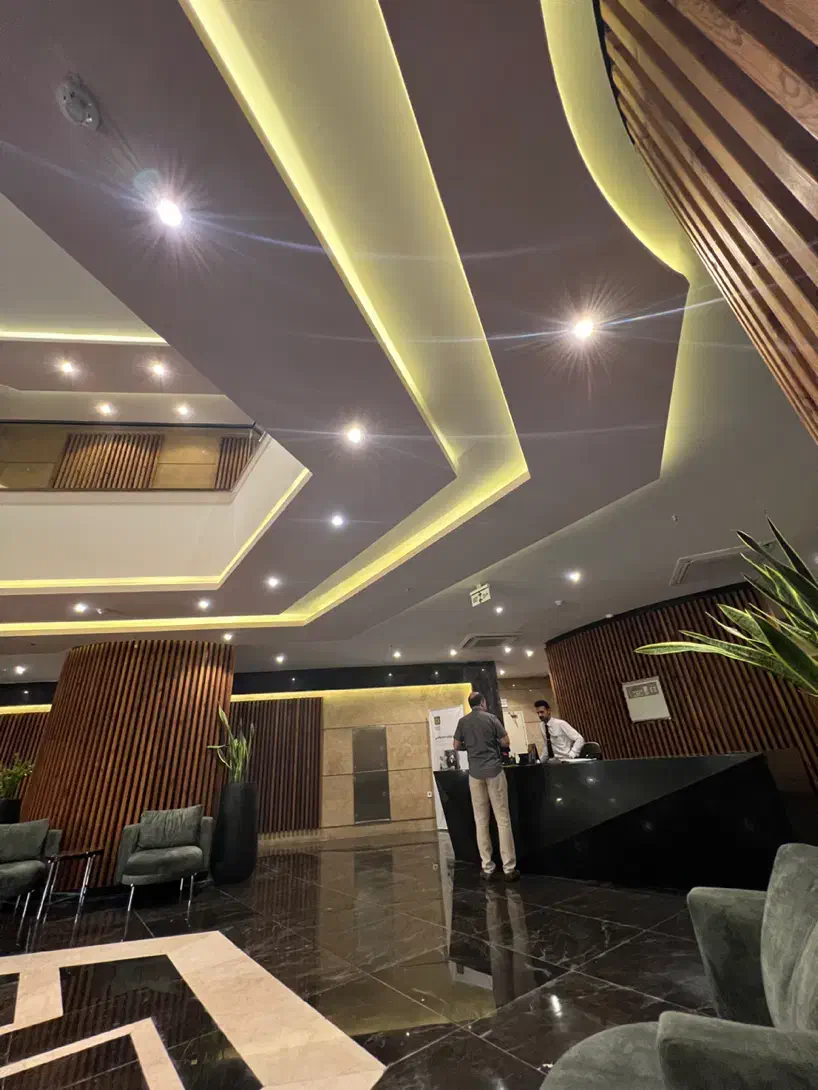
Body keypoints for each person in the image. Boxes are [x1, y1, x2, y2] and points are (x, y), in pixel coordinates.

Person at [453, 691, 519, 882]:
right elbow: (506, 742)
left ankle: (487, 867)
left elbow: (456, 745)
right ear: (482, 702)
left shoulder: (463, 722)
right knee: (502, 819)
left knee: (481, 821)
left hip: (475, 774)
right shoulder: (491, 718)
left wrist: (470, 746)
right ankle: (509, 868)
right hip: (494, 771)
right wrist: (493, 742)